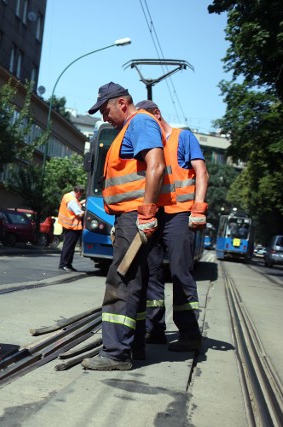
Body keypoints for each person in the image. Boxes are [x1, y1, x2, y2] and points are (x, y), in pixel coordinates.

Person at [80, 82, 175, 371]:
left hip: (136, 215)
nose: (104, 116)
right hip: (129, 216)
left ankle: (115, 353)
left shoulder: (140, 122)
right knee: (136, 280)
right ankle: (133, 346)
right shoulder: (129, 129)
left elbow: (156, 166)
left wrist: (145, 213)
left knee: (121, 281)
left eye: (106, 109)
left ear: (122, 102)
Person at [135, 100, 209, 353]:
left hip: (178, 215)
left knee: (180, 272)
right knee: (151, 273)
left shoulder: (183, 138)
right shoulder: (146, 143)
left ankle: (190, 334)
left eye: (147, 120)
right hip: (154, 215)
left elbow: (201, 172)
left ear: (157, 114)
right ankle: (154, 330)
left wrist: (198, 208)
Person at [57, 185, 85, 271]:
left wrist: (81, 203)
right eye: (80, 194)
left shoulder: (68, 196)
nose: (80, 196)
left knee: (69, 246)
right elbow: (79, 214)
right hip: (72, 226)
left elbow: (72, 207)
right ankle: (64, 264)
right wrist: (85, 210)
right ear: (78, 192)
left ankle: (67, 264)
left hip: (69, 226)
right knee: (69, 247)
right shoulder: (72, 201)